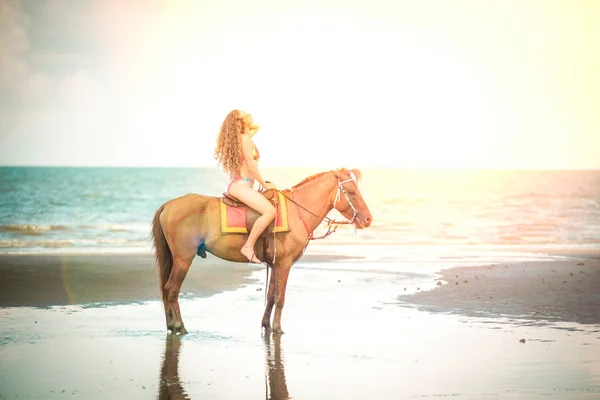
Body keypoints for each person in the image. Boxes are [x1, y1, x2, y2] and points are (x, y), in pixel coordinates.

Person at [214, 109, 277, 264]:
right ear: (240, 122)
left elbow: (257, 126)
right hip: (242, 185)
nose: (250, 115)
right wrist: (265, 185)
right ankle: (248, 246)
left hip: (242, 184)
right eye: (246, 115)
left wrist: (243, 121)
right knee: (270, 211)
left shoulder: (242, 138)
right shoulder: (245, 139)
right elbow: (252, 167)